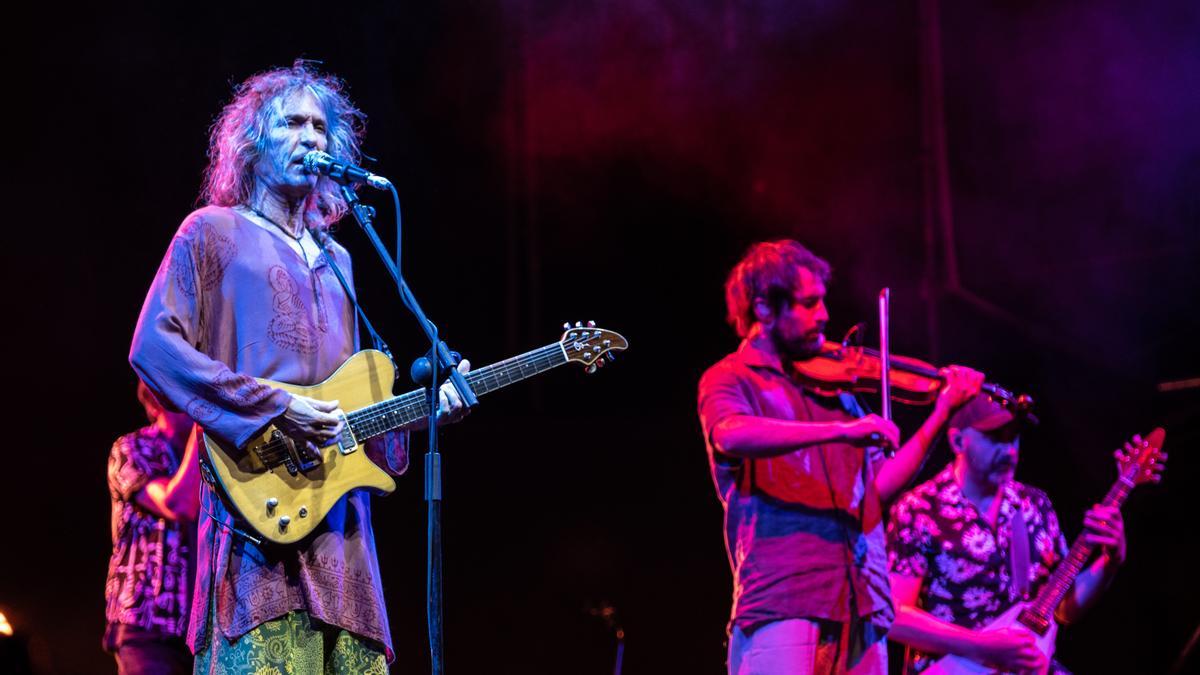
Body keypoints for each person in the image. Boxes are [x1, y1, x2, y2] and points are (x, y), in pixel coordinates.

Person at [129, 61, 469, 673]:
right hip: (253, 535)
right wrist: (274, 404)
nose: (311, 137)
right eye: (291, 123)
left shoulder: (340, 261)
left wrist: (423, 417)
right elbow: (153, 347)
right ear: (252, 144)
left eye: (320, 126)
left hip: (343, 550)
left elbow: (350, 415)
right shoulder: (212, 233)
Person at [697, 239, 983, 675]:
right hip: (783, 600)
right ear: (763, 309)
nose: (825, 315)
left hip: (860, 601)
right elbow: (730, 435)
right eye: (809, 304)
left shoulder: (836, 389)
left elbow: (876, 491)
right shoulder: (730, 378)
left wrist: (940, 416)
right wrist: (842, 430)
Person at [886, 394, 1131, 673]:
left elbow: (1064, 609)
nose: (1010, 450)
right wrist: (982, 646)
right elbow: (893, 615)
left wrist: (1110, 561)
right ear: (957, 441)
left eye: (1013, 437)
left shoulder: (1035, 504)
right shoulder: (919, 509)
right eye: (995, 438)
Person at [103, 382, 201, 675]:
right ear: (158, 400)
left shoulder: (209, 458)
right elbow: (179, 504)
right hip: (147, 626)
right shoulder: (132, 448)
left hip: (198, 630)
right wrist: (203, 428)